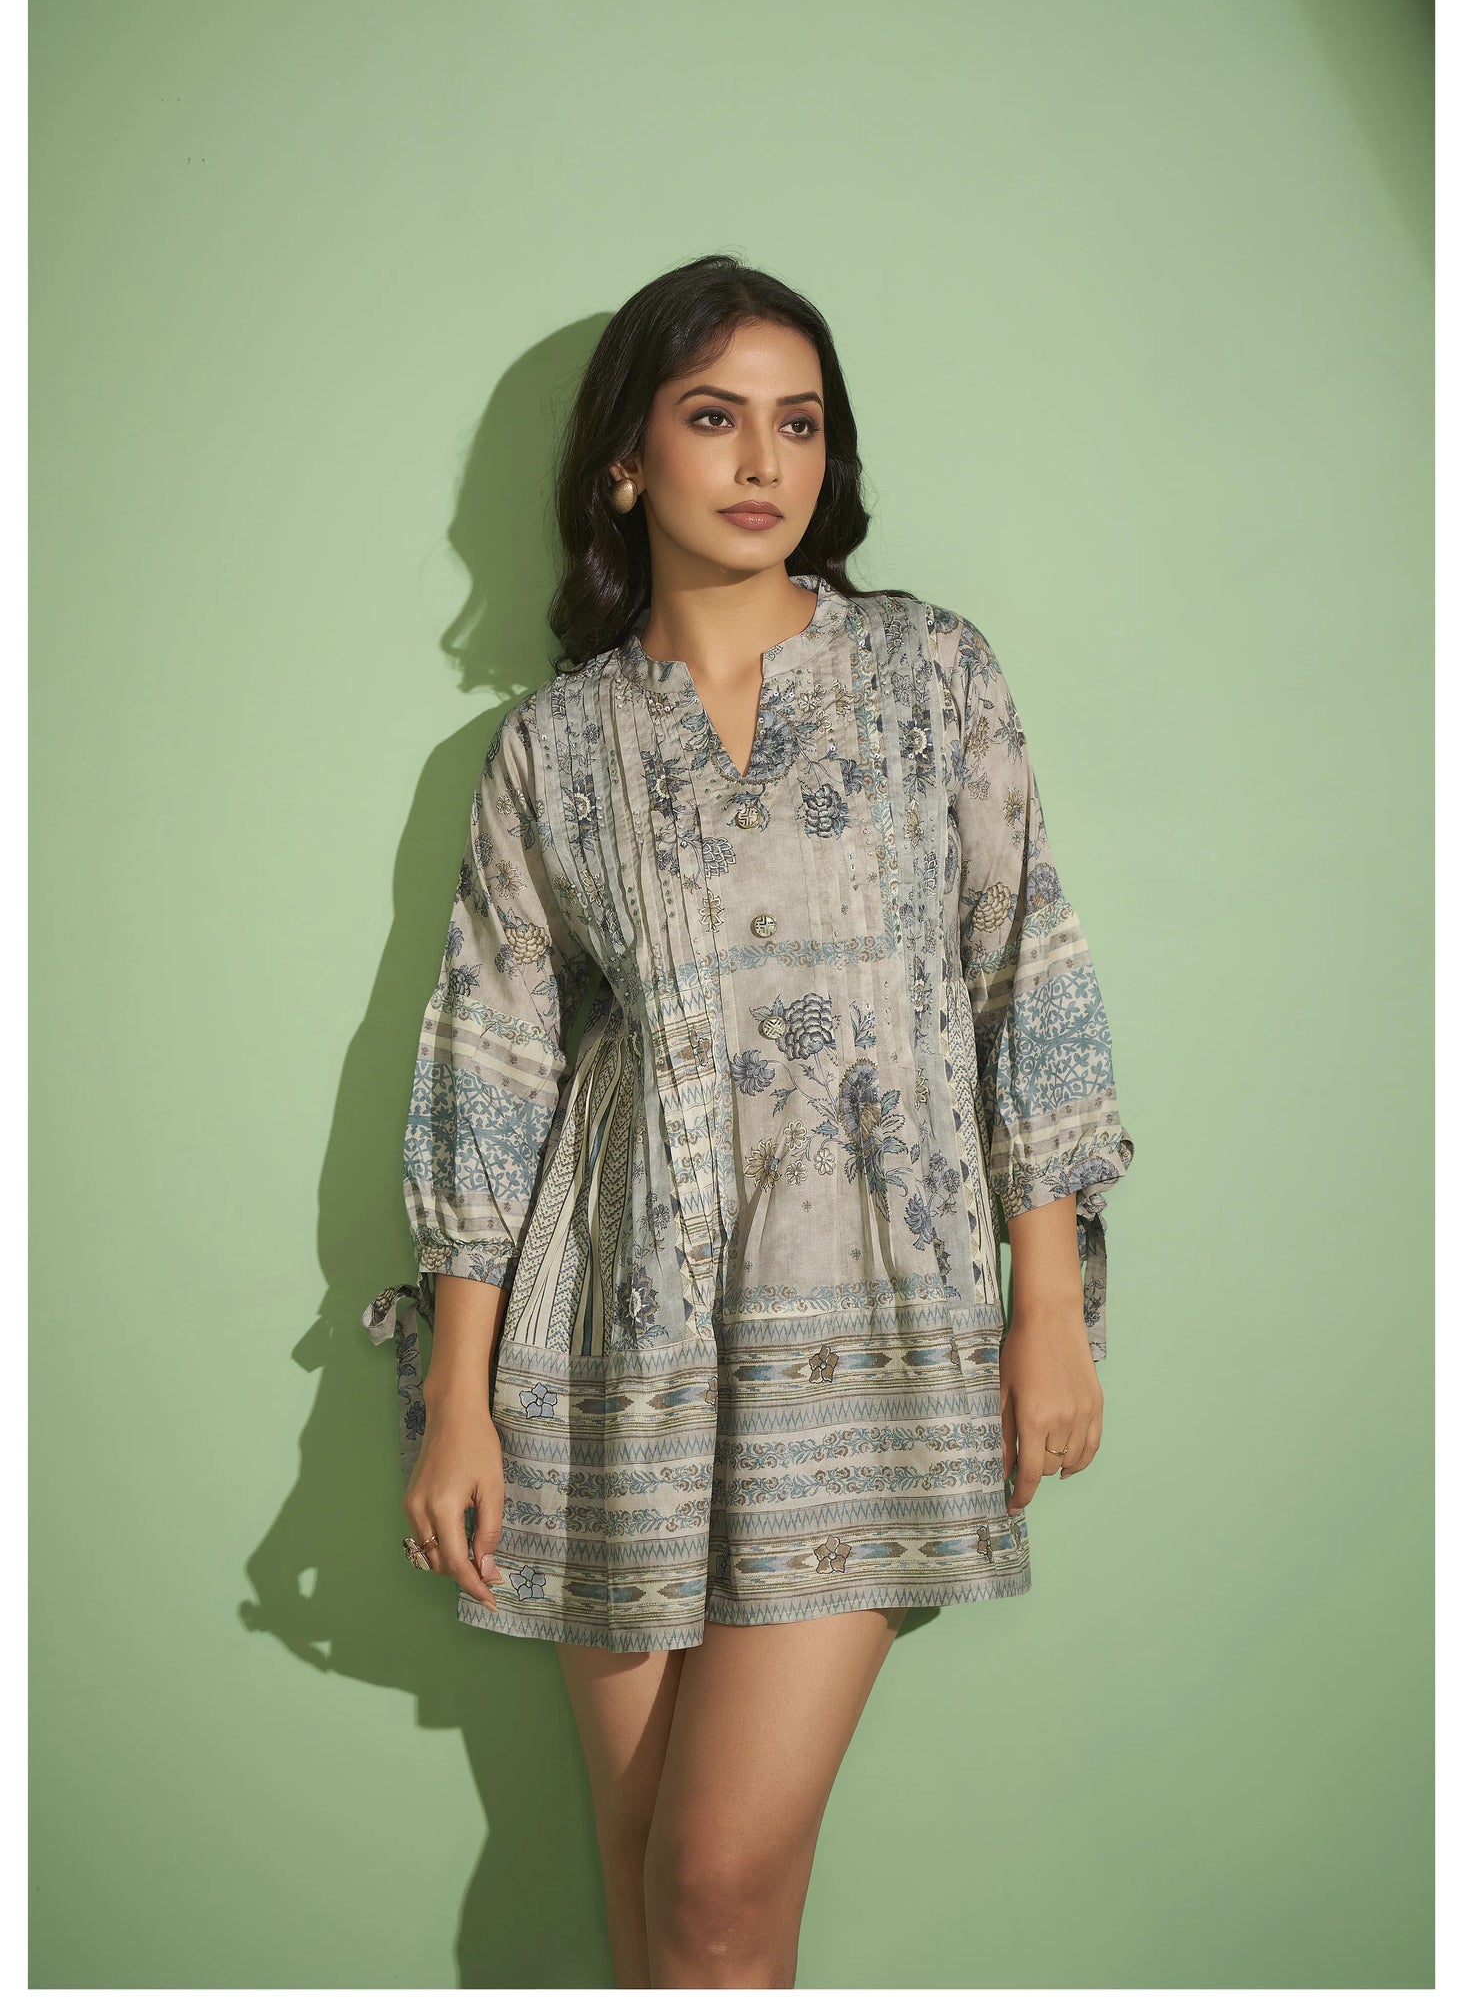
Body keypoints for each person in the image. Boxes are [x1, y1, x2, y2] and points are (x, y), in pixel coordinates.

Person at [361, 253, 1136, 1988]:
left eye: (799, 422)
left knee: (712, 1887)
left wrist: (1051, 1309)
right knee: (651, 1892)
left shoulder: (932, 675)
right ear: (625, 462)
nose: (763, 459)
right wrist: (459, 1400)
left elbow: (1024, 975)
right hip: (608, 1345)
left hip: (878, 1331)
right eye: (714, 417)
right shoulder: (551, 749)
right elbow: (492, 1066)